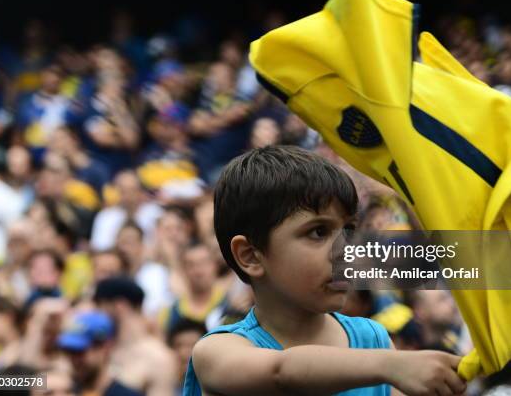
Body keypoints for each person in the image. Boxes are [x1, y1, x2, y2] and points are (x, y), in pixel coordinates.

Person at [184, 146, 467, 396]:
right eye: (318, 232)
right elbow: (282, 372)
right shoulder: (216, 352)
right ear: (250, 256)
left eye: (349, 230)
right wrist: (390, 364)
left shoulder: (373, 338)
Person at [93, 276, 177, 395]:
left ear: (120, 306)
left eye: (100, 306)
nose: (96, 314)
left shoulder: (158, 358)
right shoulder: (98, 350)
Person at [57, 310, 115, 394]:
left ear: (105, 348)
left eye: (78, 352)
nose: (73, 360)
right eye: (68, 352)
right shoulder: (62, 389)